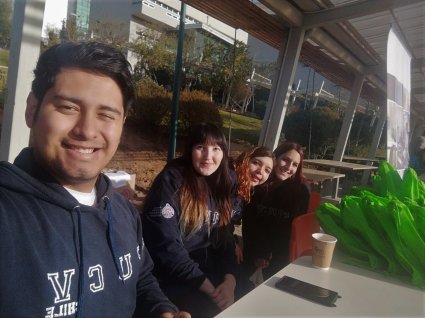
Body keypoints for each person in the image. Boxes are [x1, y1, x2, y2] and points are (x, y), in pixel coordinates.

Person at [0, 42, 189, 318]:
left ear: (122, 123)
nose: (87, 130)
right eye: (68, 107)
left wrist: (160, 309)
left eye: (106, 115)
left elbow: (140, 277)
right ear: (32, 109)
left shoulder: (123, 211)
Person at [142, 123, 239, 317]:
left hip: (211, 276)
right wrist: (212, 291)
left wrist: (230, 281)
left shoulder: (223, 183)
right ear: (190, 150)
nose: (208, 156)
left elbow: (225, 239)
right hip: (172, 279)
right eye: (201, 147)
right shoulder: (173, 180)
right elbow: (166, 246)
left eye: (216, 149)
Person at [242, 141, 311, 279]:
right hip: (253, 248)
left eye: (295, 165)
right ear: (276, 158)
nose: (289, 167)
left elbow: (293, 230)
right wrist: (260, 252)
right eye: (285, 160)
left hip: (281, 255)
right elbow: (249, 222)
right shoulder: (259, 182)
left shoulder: (301, 191)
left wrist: (270, 256)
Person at [231, 146, 275, 264]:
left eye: (267, 170)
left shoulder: (246, 191)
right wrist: (231, 243)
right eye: (256, 163)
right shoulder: (229, 180)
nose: (260, 171)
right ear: (245, 160)